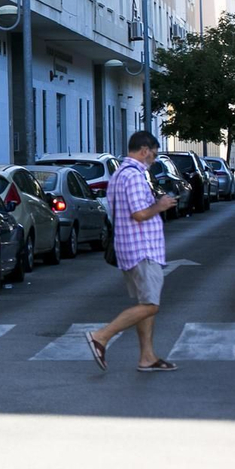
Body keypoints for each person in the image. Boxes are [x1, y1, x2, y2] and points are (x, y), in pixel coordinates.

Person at [86, 130, 177, 373]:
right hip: (142, 250)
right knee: (151, 306)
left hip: (130, 249)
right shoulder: (135, 176)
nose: (155, 159)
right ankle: (101, 336)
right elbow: (139, 214)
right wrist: (161, 205)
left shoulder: (119, 174)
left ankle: (147, 357)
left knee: (146, 302)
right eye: (154, 154)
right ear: (144, 150)